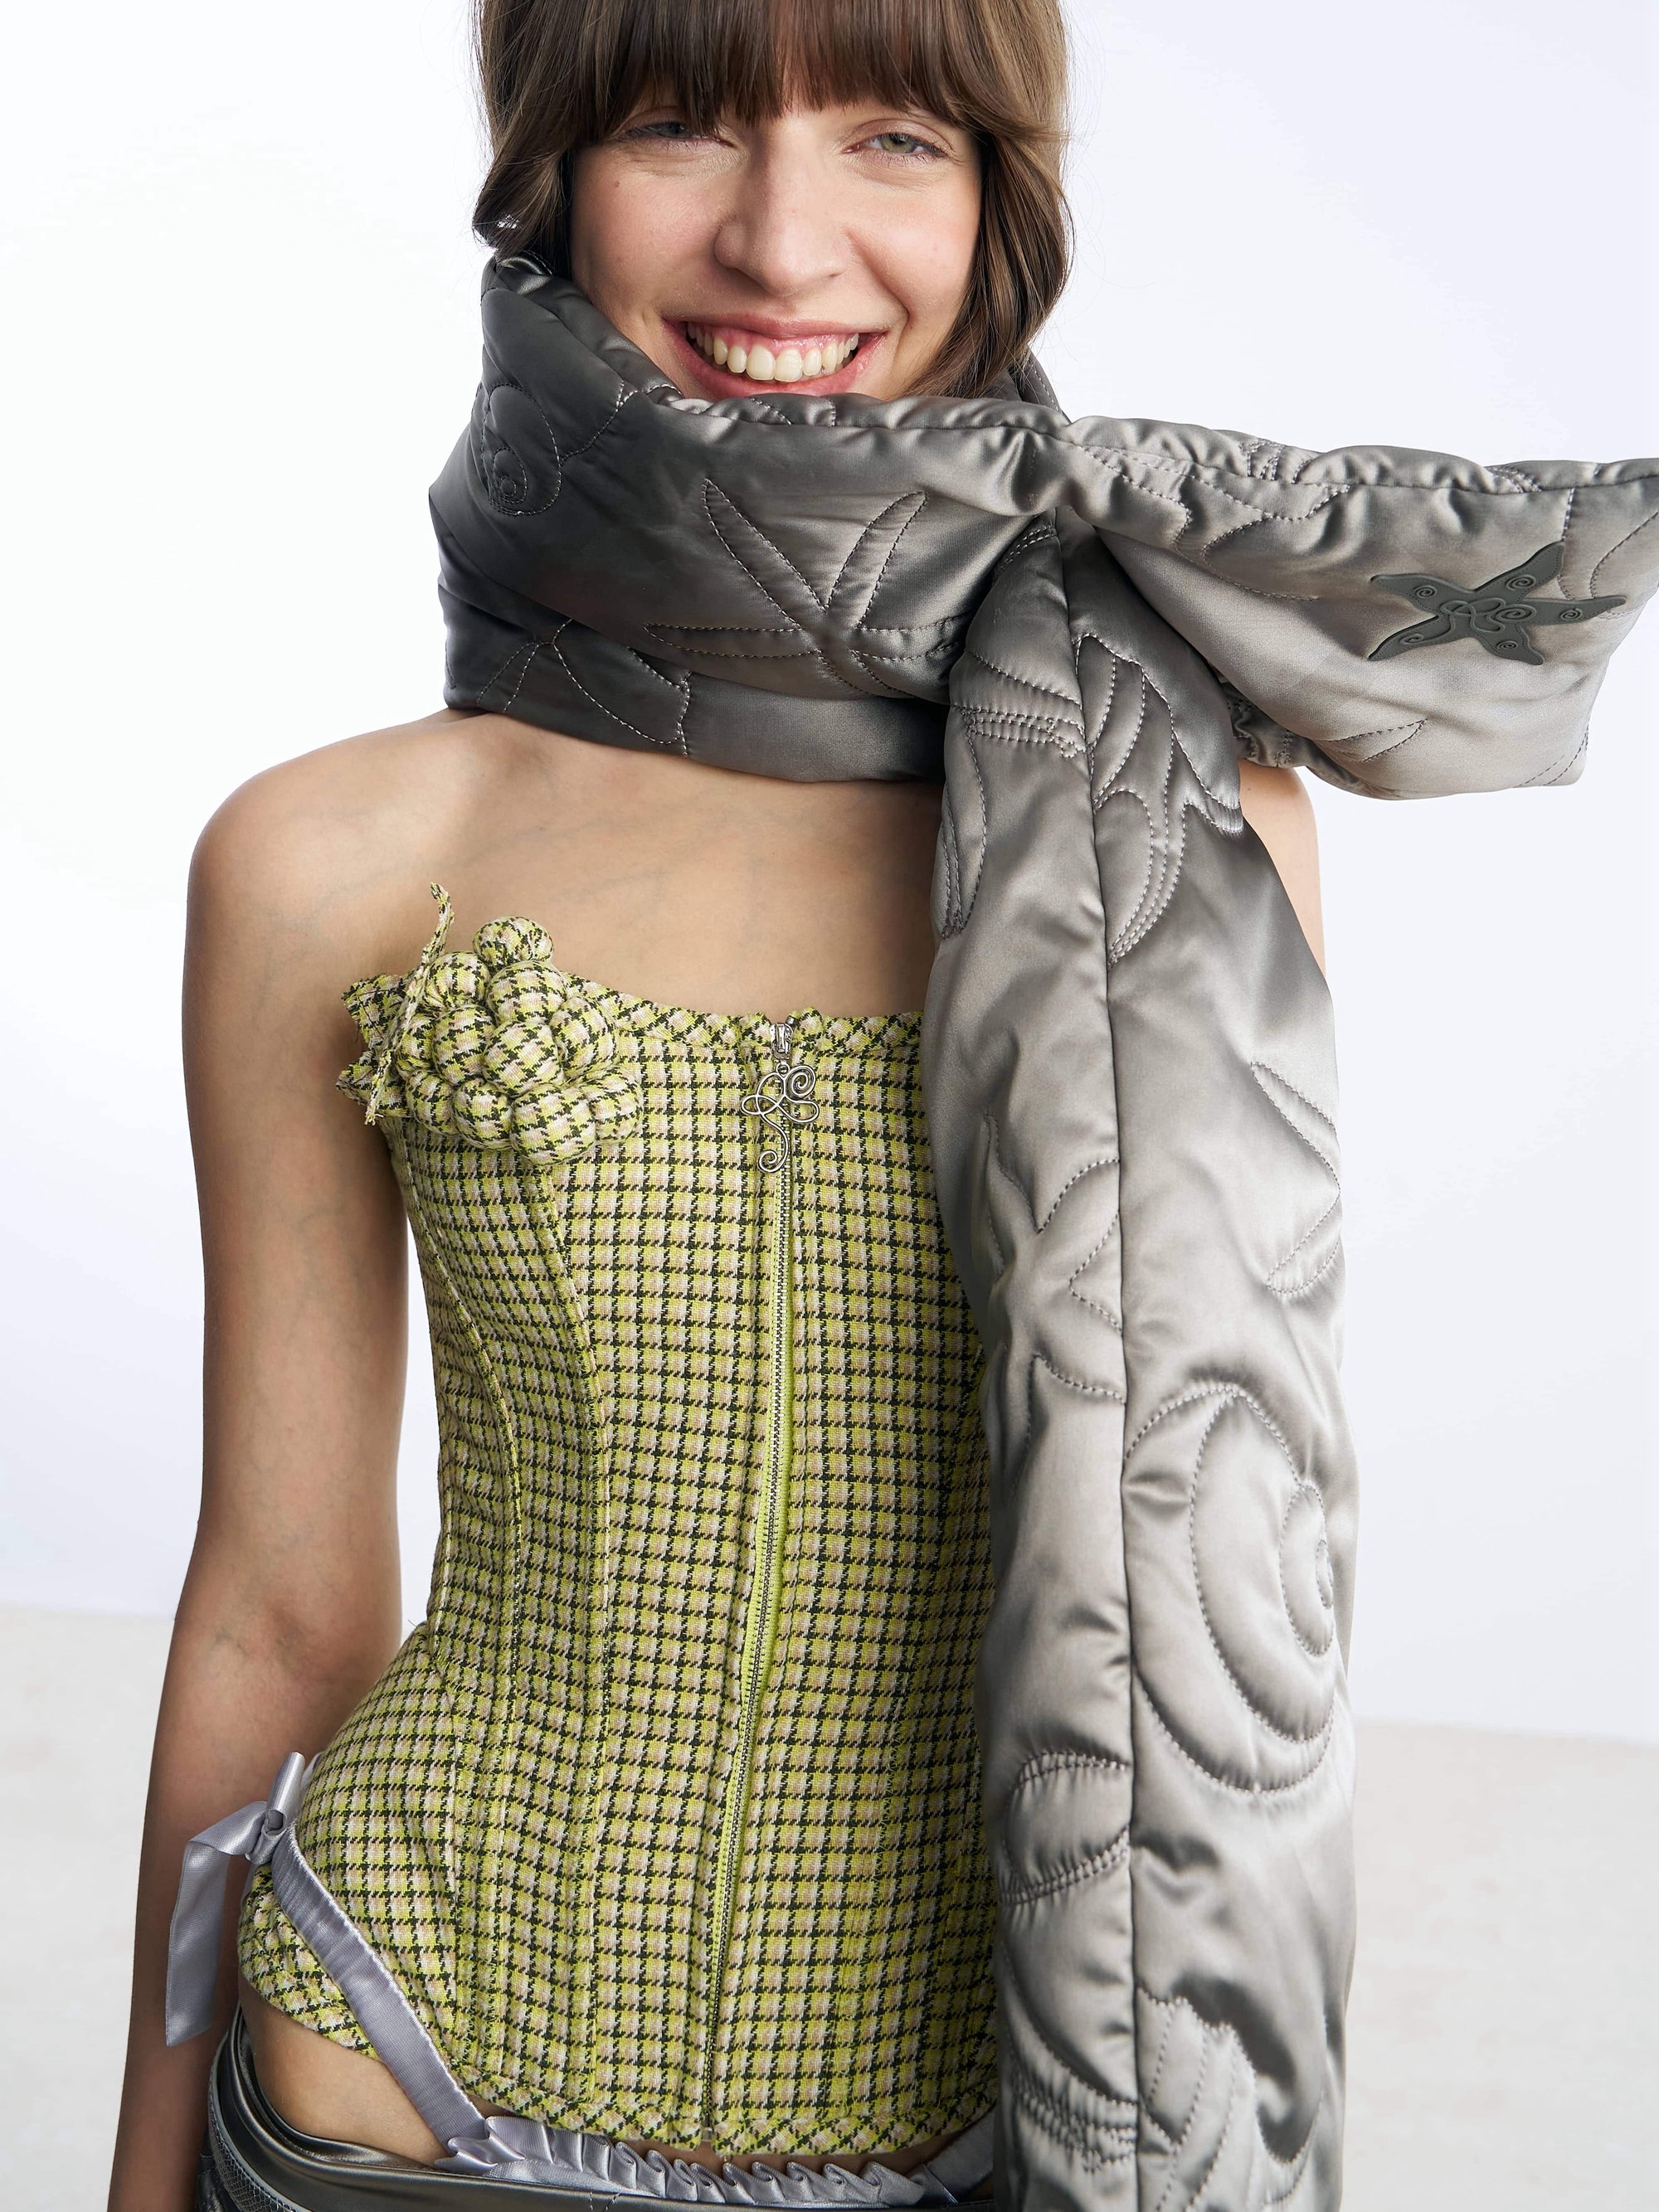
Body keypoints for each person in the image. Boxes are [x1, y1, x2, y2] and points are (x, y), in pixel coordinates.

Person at [109, 2, 1658, 2209]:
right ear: (551, 178)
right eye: (677, 124)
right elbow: (278, 1601)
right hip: (384, 2082)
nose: (782, 240)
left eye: (894, 137)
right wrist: (144, 2174)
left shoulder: (1195, 832)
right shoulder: (331, 856)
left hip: (983, 2131)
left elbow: (1236, 1598)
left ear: (1001, 202)